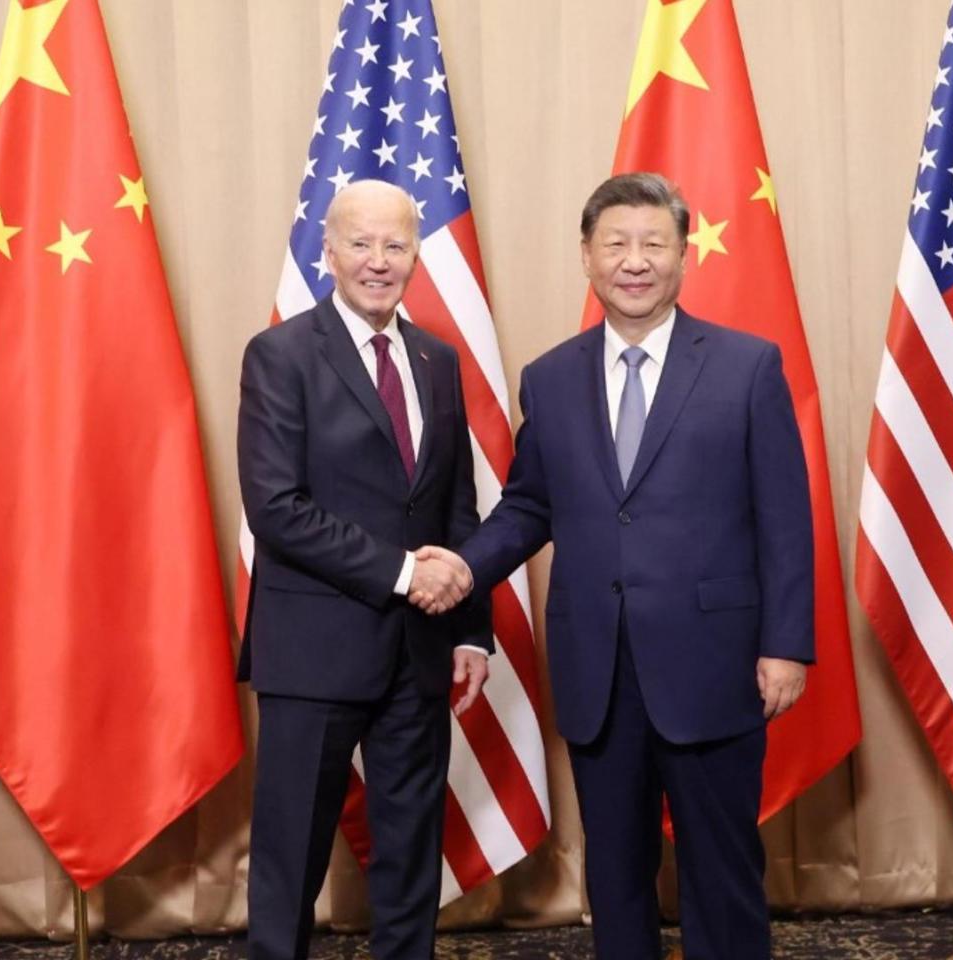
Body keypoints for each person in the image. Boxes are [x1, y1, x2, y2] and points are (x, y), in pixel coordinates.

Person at [420, 172, 812, 959]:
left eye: (654, 245)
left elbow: (785, 517)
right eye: (617, 245)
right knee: (616, 870)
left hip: (716, 664)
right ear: (587, 258)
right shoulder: (553, 377)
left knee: (722, 867)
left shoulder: (746, 367)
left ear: (681, 257)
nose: (635, 262)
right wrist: (463, 568)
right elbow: (531, 506)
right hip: (598, 665)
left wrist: (787, 644)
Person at [237, 178, 489, 960]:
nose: (379, 261)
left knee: (412, 855)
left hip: (420, 652)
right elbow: (277, 508)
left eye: (396, 244)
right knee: (290, 858)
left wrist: (472, 629)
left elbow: (454, 504)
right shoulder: (280, 355)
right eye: (360, 243)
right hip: (313, 650)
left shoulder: (437, 360)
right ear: (329, 249)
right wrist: (403, 573)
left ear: (417, 252)